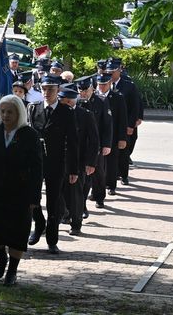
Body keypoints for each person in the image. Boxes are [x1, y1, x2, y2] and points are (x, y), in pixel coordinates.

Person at [0, 94, 43, 286]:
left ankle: (12, 270)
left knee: (17, 233)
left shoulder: (29, 135)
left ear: (19, 113)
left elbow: (37, 168)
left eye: (10, 112)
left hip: (20, 193)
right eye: (3, 111)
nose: (5, 115)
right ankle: (1, 257)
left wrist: (34, 197)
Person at [27, 75, 79, 253]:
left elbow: (73, 142)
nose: (47, 92)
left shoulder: (66, 112)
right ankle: (39, 223)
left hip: (56, 162)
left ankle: (52, 239)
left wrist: (73, 169)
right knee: (32, 198)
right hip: (35, 162)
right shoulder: (33, 108)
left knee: (53, 202)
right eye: (44, 88)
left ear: (58, 90)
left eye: (51, 89)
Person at [60, 83, 97, 236]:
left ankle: (76, 224)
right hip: (59, 160)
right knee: (59, 192)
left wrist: (91, 162)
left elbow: (94, 140)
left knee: (76, 194)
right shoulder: (56, 113)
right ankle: (62, 216)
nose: (65, 103)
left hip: (78, 161)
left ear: (72, 100)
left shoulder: (85, 115)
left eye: (67, 100)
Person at [77, 76, 112, 219]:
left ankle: (97, 198)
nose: (83, 93)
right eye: (81, 90)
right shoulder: (77, 102)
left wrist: (106, 144)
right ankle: (81, 205)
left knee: (96, 175)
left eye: (86, 90)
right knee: (82, 177)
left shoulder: (101, 101)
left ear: (92, 88)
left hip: (95, 146)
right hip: (80, 145)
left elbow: (107, 125)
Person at [96, 72, 129, 203]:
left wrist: (123, 138)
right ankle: (98, 188)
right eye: (99, 84)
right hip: (97, 136)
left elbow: (122, 119)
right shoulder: (95, 98)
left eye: (104, 84)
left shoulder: (117, 97)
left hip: (113, 136)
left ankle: (111, 185)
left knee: (111, 162)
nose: (102, 87)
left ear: (110, 83)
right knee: (97, 164)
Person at [110, 58, 143, 185]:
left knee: (123, 151)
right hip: (110, 123)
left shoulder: (129, 85)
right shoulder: (103, 84)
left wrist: (131, 125)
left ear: (119, 71)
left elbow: (135, 106)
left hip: (124, 123)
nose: (111, 74)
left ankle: (124, 175)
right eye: (109, 71)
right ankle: (112, 176)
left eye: (113, 71)